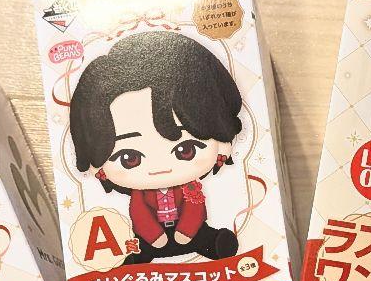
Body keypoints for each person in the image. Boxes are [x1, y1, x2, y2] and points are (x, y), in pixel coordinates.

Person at [69, 30, 243, 264]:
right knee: (140, 249)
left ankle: (213, 244)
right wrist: (155, 236)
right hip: (152, 238)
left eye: (185, 150)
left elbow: (195, 208)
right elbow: (139, 214)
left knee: (204, 237)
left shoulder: (191, 188)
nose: (160, 167)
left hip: (191, 233)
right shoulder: (141, 196)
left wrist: (186, 232)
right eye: (129, 158)